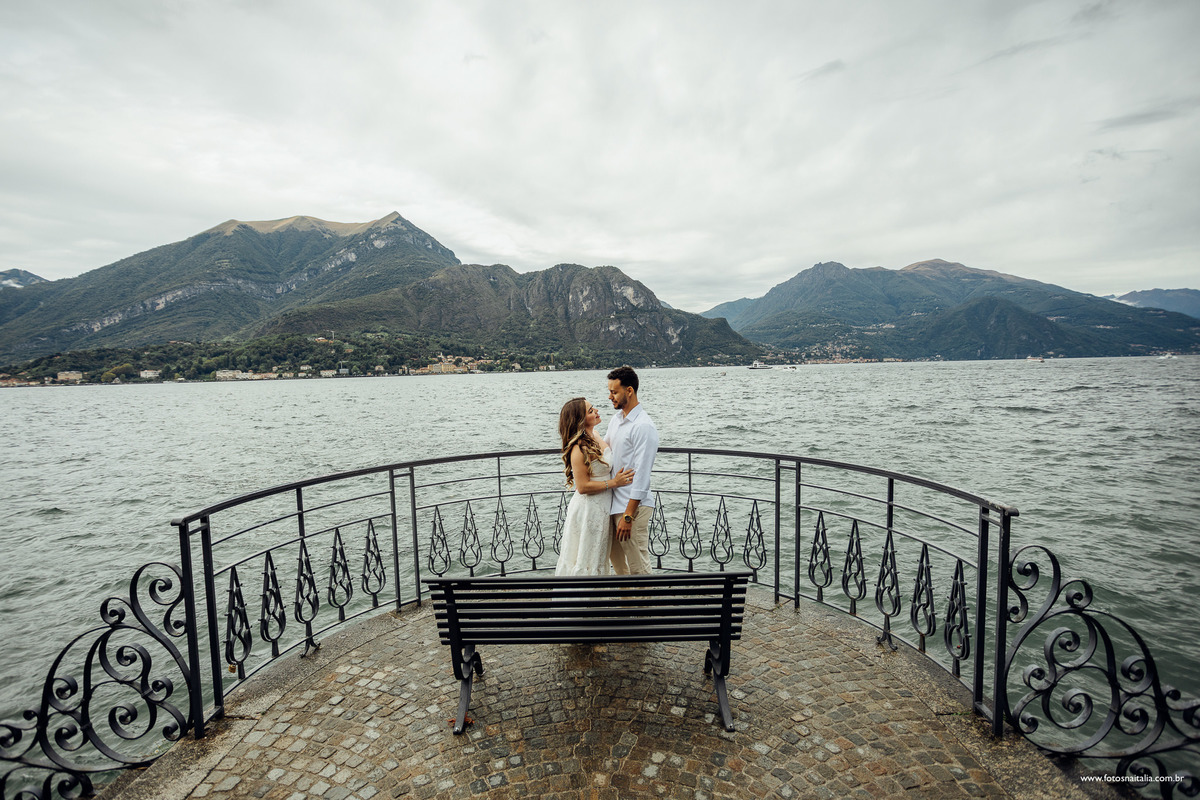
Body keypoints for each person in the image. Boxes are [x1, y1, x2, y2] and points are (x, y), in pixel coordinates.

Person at [554, 397, 635, 576]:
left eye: (593, 408)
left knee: (598, 556)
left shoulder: (596, 435)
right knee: (586, 558)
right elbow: (582, 486)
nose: (596, 411)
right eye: (591, 411)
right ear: (580, 420)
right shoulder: (578, 448)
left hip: (604, 507)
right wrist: (614, 483)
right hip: (589, 509)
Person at [604, 366, 660, 575]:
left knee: (638, 566)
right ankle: (627, 597)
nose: (610, 397)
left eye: (614, 392)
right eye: (609, 391)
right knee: (620, 567)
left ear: (629, 391)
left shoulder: (643, 426)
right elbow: (604, 451)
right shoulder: (616, 420)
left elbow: (642, 475)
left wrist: (628, 516)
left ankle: (646, 598)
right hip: (614, 505)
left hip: (632, 508)